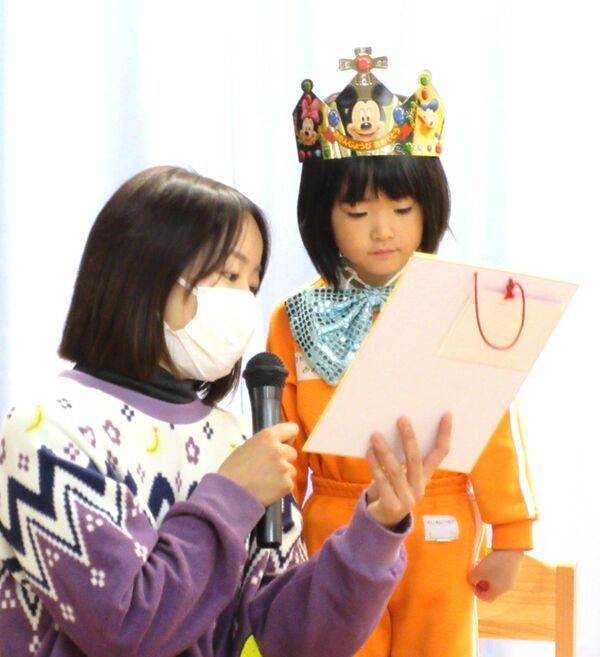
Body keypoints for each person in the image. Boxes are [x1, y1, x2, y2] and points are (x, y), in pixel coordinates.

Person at [0, 165, 451, 657]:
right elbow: (124, 628)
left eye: (251, 285)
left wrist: (376, 529)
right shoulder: (48, 428)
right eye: (228, 276)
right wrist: (232, 496)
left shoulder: (238, 441)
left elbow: (292, 639)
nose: (242, 303)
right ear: (143, 275)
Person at [267, 48, 537, 657]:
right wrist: (274, 538)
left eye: (401, 208)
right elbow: (280, 442)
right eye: (358, 211)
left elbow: (495, 420)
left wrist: (512, 536)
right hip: (334, 526)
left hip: (439, 522)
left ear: (429, 207)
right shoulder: (293, 319)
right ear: (322, 216)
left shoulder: (460, 302)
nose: (382, 229)